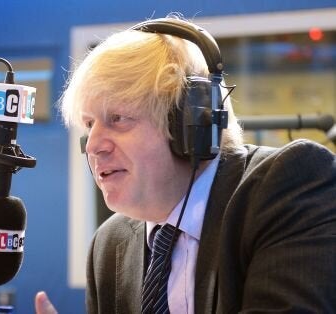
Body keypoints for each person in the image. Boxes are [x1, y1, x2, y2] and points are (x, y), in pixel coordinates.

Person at [35, 15, 336, 313]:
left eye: (118, 119)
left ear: (189, 122)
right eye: (89, 124)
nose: (92, 145)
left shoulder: (287, 187)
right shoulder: (110, 244)